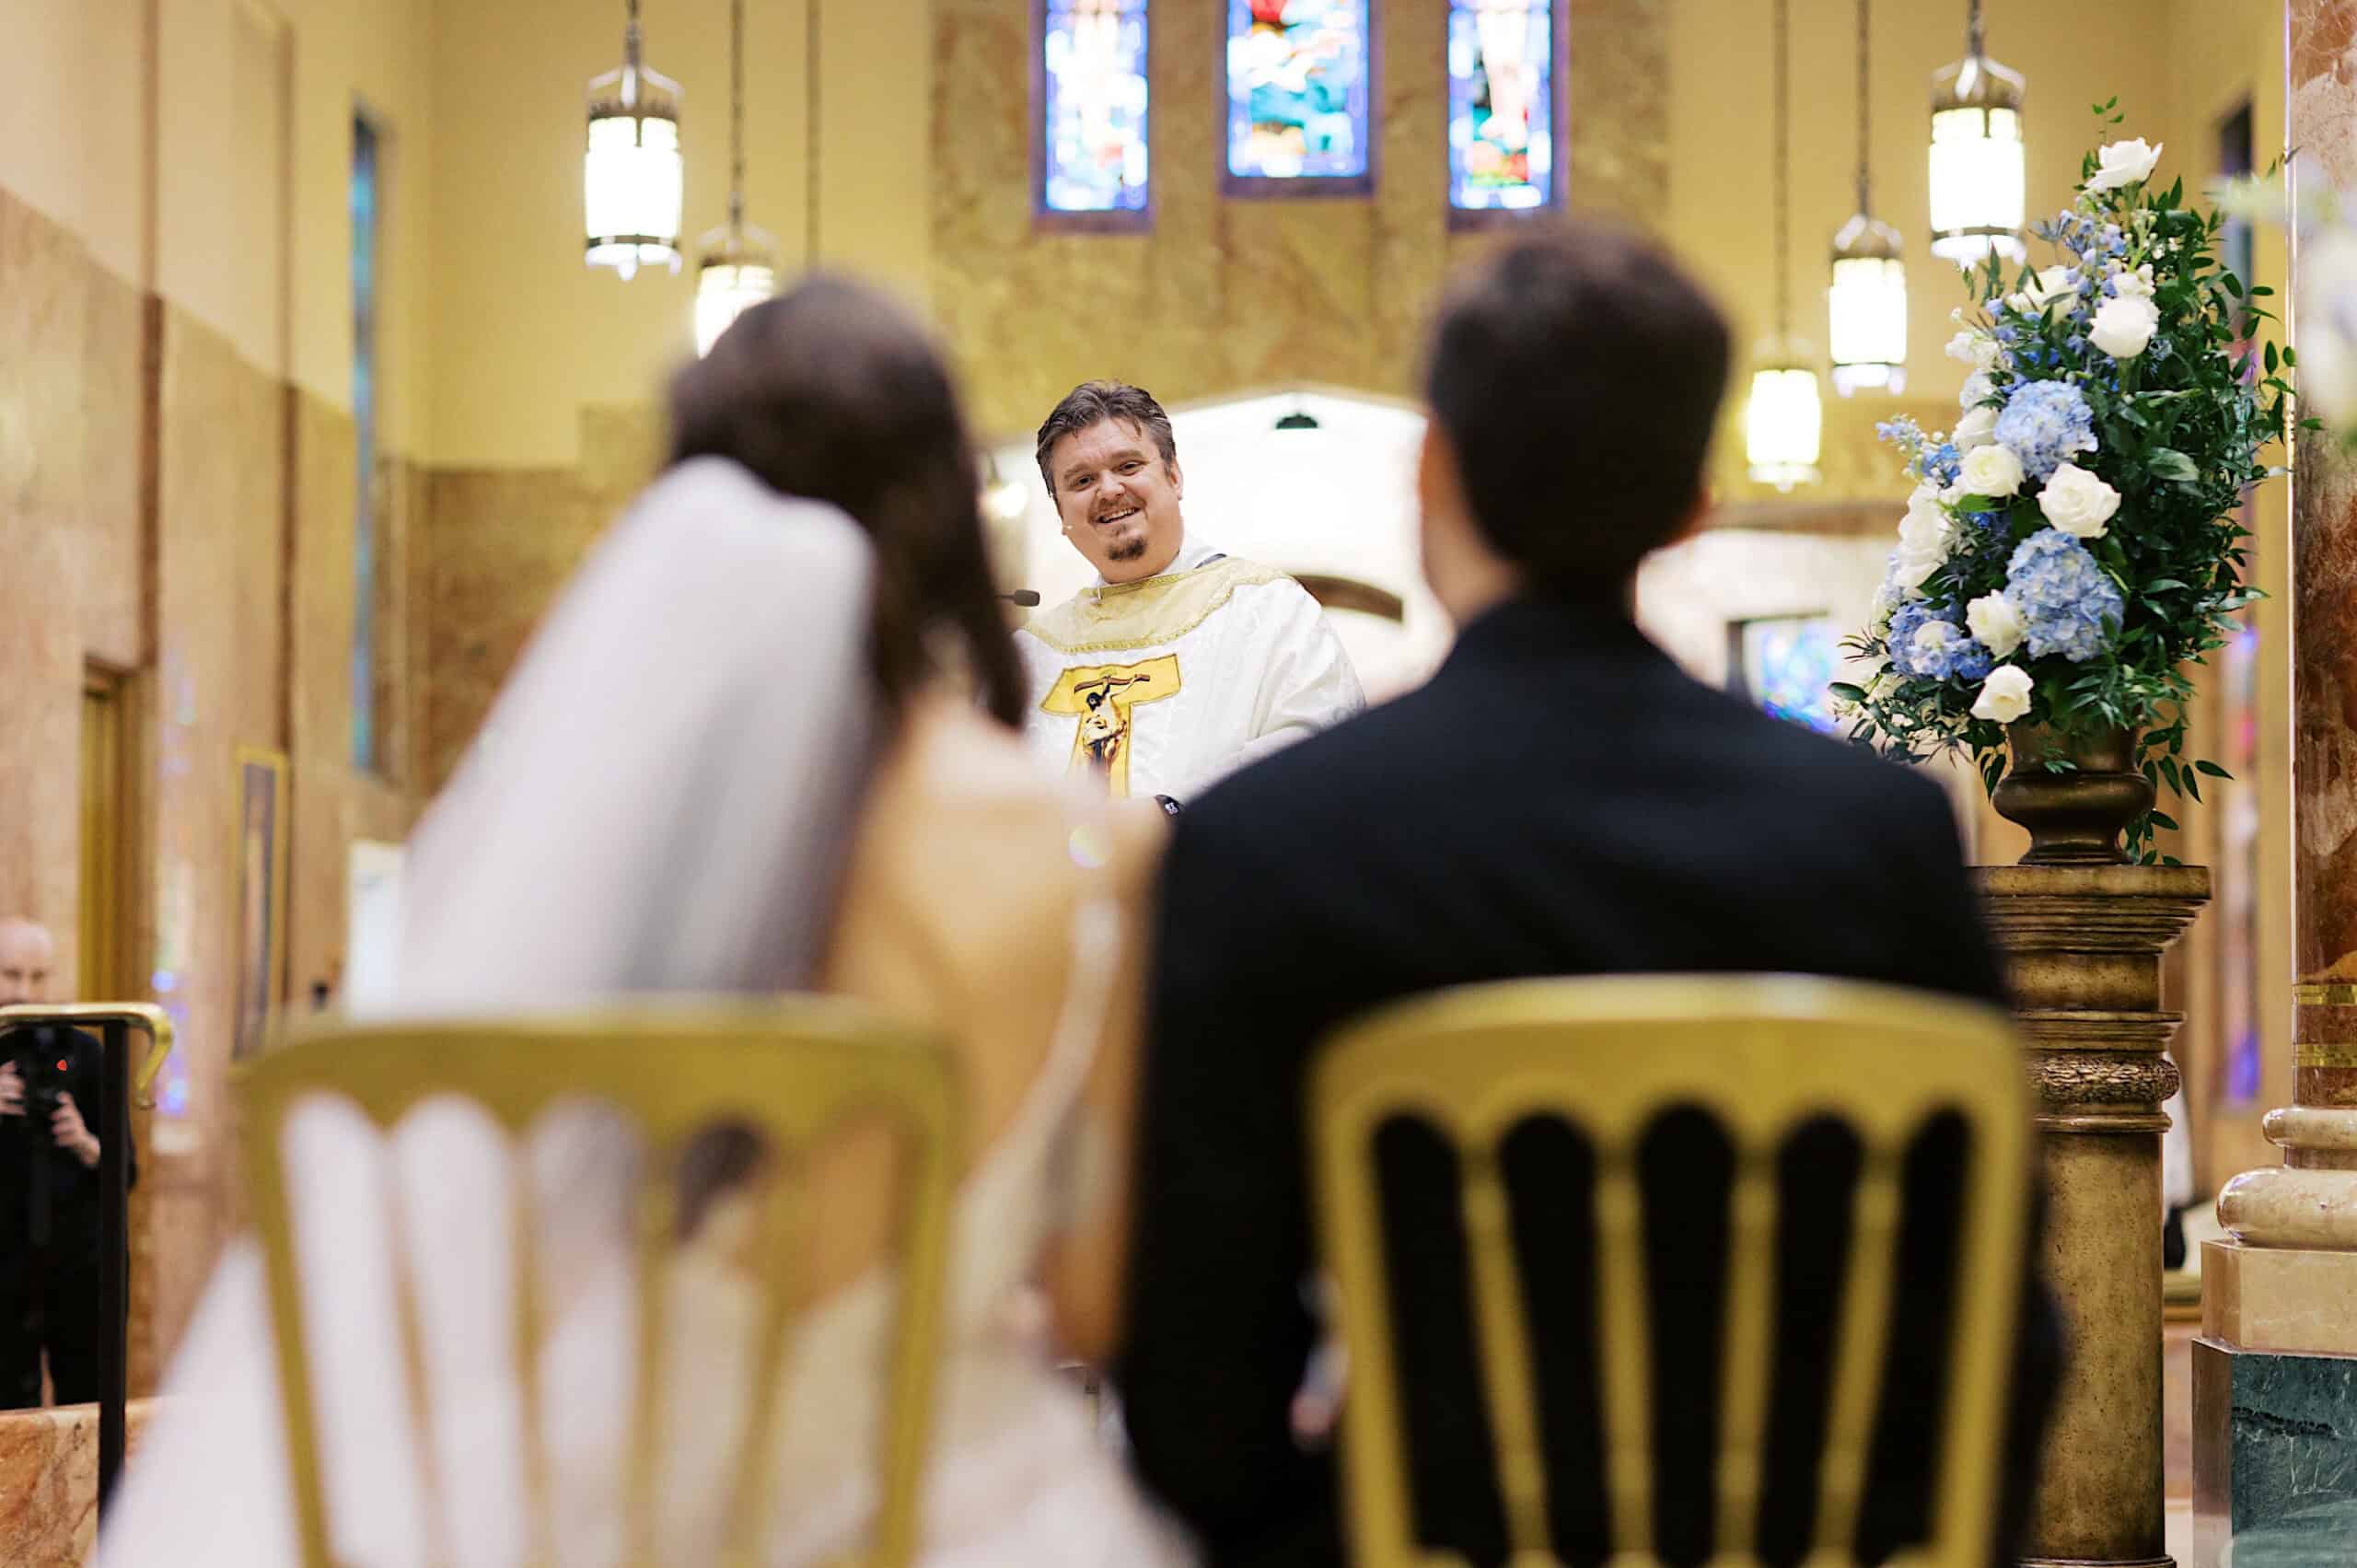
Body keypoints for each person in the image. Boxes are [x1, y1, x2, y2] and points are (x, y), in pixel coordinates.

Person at [104, 280, 1191, 1566]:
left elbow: (470, 1262)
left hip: (600, 1516)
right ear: (959, 513)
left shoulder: (572, 848)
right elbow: (1099, 1292)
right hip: (935, 1512)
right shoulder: (1091, 849)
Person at [1116, 224, 2056, 1567]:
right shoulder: (1877, 837)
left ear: (1433, 469)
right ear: (1694, 505)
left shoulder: (1271, 846)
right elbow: (1994, 1332)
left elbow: (1195, 1398)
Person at [1019, 381, 1365, 810]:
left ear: (1174, 476)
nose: (1108, 491)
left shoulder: (1268, 611)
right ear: (1060, 512)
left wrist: (1170, 813)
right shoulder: (1032, 654)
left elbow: (1320, 757)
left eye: (1128, 466)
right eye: (1083, 480)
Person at [0, 916, 133, 1409]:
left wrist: (84, 1142)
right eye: (11, 975)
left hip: (77, 1268)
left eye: (37, 977)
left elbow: (127, 1171)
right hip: (5, 1271)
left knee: (90, 1407)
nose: (24, 991)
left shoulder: (85, 1052)